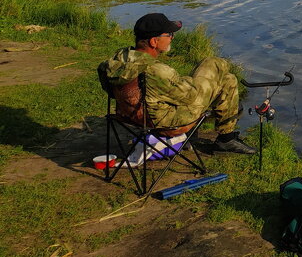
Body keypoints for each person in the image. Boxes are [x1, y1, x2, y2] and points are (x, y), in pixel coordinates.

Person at [98, 13, 256, 154]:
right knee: (216, 65)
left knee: (227, 79)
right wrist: (194, 79)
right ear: (154, 41)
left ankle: (225, 139)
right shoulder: (156, 71)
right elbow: (190, 96)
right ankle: (226, 139)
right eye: (169, 34)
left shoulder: (118, 61)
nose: (172, 37)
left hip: (130, 116)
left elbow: (110, 91)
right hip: (166, 123)